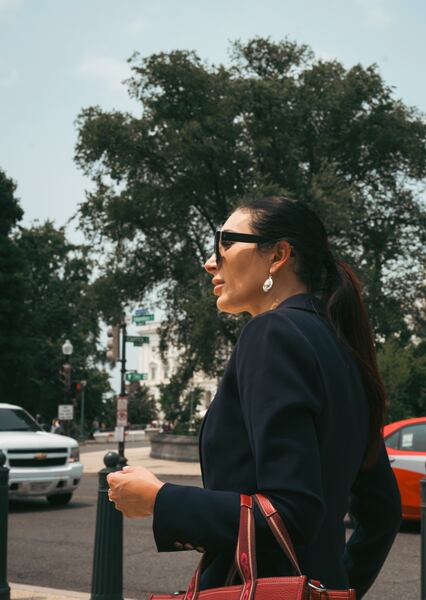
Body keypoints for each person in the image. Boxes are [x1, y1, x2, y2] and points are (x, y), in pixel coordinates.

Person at [107, 196, 402, 597]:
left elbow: (290, 512)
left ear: (278, 255)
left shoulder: (272, 334)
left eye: (224, 243)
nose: (211, 262)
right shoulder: (343, 349)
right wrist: (331, 587)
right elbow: (381, 513)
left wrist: (159, 500)